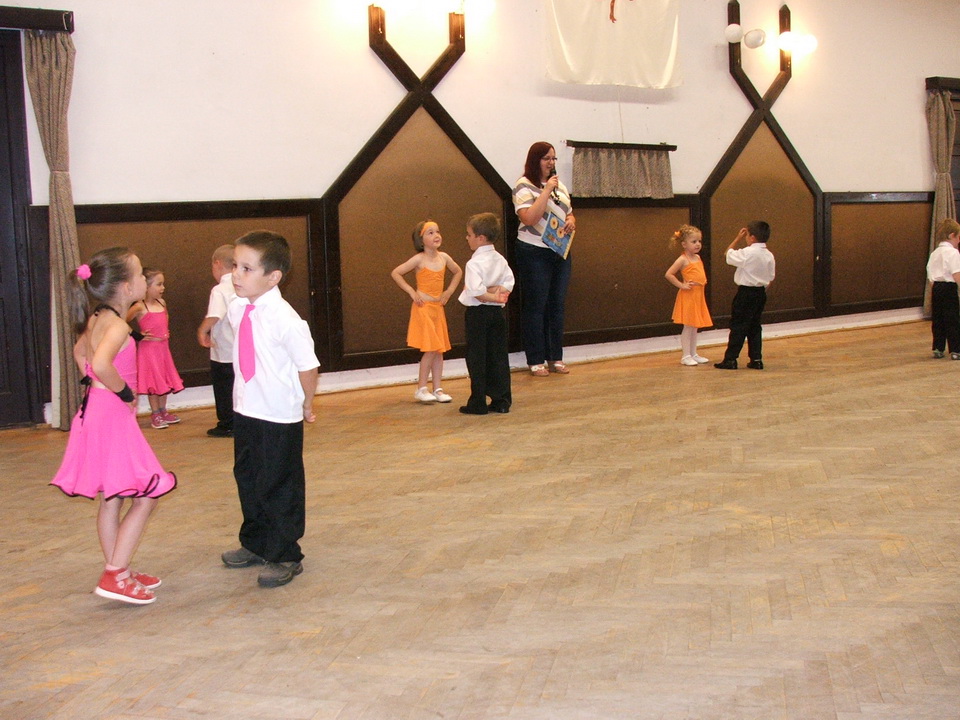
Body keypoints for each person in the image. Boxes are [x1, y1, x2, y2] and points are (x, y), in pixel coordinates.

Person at [50, 247, 177, 605]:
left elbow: (81, 353)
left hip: (97, 409)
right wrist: (123, 392)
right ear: (125, 287)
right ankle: (115, 574)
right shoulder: (119, 325)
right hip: (110, 413)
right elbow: (103, 362)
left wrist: (95, 384)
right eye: (139, 275)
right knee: (149, 493)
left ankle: (117, 568)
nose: (144, 280)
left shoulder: (99, 316)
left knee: (114, 495)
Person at [221, 230, 320, 589]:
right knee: (248, 476)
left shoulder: (286, 319)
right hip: (246, 409)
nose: (236, 274)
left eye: (246, 269)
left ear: (273, 277)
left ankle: (285, 553)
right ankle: (256, 542)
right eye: (235, 265)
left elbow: (307, 367)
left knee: (279, 483)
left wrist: (307, 401)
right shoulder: (238, 308)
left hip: (278, 415)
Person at [512, 141, 576, 377]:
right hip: (533, 251)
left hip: (559, 250)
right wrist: (546, 190)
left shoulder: (561, 186)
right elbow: (529, 218)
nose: (551, 163)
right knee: (536, 305)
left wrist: (571, 222)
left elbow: (570, 213)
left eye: (553, 159)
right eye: (546, 158)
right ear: (535, 160)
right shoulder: (523, 186)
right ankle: (535, 359)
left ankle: (555, 357)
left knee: (556, 305)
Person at [390, 220, 463, 403]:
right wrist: (412, 292)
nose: (436, 235)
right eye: (430, 232)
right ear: (420, 239)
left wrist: (449, 291)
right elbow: (396, 273)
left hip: (437, 309)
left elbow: (458, 271)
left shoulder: (444, 257)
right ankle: (421, 388)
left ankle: (438, 389)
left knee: (438, 350)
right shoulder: (419, 259)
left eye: (437, 231)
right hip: (423, 309)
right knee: (430, 349)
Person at [458, 212, 515, 415]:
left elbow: (476, 292)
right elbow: (508, 284)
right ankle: (501, 400)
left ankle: (478, 402)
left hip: (477, 315)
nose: (467, 238)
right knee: (498, 356)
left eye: (469, 234)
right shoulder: (500, 260)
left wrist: (487, 294)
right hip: (497, 315)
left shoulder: (474, 264)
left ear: (480, 238)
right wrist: (496, 294)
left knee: (477, 357)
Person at [127, 268, 184, 429]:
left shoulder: (162, 303)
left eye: (162, 284)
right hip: (149, 351)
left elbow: (164, 319)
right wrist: (137, 335)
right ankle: (155, 413)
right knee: (153, 382)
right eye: (158, 284)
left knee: (163, 380)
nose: (162, 288)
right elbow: (121, 321)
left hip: (163, 349)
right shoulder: (139, 306)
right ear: (146, 286)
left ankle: (163, 411)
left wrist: (165, 332)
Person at [714, 221, 776, 370]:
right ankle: (756, 359)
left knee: (738, 326)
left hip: (746, 293)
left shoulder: (747, 253)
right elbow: (770, 278)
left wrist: (737, 238)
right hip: (760, 293)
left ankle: (730, 359)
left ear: (752, 237)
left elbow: (728, 254)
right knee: (755, 326)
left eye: (746, 235)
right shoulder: (769, 255)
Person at [197, 245, 237, 436]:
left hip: (224, 351)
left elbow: (215, 314)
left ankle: (227, 423)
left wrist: (202, 330)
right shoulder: (242, 285)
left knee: (224, 389)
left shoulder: (220, 289)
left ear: (218, 264)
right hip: (241, 348)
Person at [664, 224, 713, 366]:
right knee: (688, 326)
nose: (698, 244)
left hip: (698, 295)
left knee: (695, 326)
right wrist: (682, 285)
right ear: (684, 244)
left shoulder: (697, 257)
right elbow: (669, 274)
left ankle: (693, 353)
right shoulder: (683, 259)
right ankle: (685, 356)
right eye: (694, 241)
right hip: (689, 296)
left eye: (699, 241)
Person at [926, 218, 960, 360]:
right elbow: (956, 273)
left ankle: (938, 348)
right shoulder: (953, 253)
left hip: (936, 287)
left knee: (938, 319)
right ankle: (956, 350)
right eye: (958, 237)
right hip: (949, 288)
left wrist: (935, 289)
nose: (959, 241)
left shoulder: (934, 253)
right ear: (952, 235)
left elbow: (930, 275)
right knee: (952, 319)